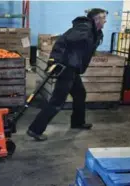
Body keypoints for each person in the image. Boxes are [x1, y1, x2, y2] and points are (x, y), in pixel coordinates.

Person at [27, 8, 108, 141]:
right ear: (96, 19)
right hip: (67, 67)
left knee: (80, 94)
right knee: (57, 101)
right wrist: (54, 60)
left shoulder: (93, 31)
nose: (105, 21)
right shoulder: (84, 28)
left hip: (74, 67)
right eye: (103, 18)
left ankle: (77, 122)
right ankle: (35, 129)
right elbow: (62, 42)